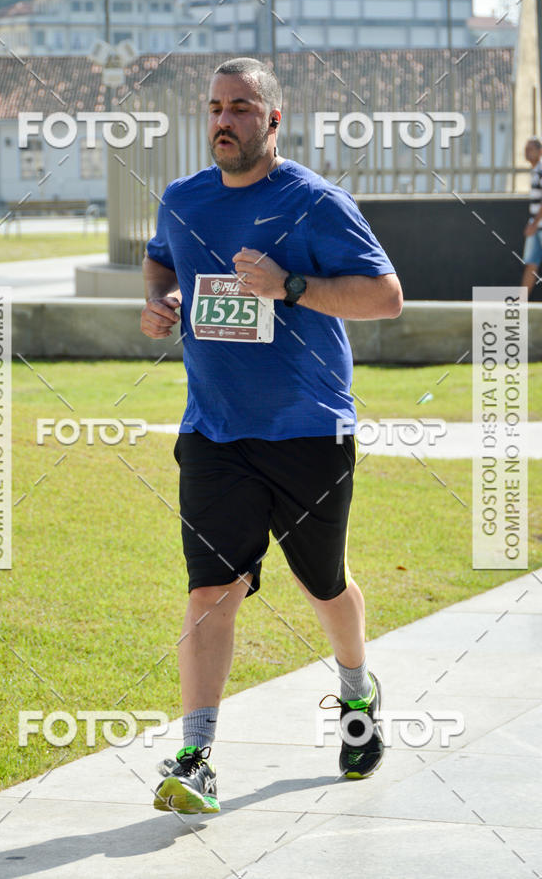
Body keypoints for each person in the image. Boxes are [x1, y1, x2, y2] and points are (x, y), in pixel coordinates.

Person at [140, 57, 403, 816]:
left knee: (323, 583)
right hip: (215, 432)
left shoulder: (315, 202)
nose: (224, 121)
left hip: (307, 431)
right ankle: (196, 758)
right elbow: (160, 262)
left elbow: (386, 297)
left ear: (274, 120)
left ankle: (357, 693)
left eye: (242, 108)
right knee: (210, 591)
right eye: (215, 108)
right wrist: (158, 303)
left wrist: (289, 286)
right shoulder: (184, 199)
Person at [521, 137, 542, 299]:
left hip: (538, 225)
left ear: (540, 152)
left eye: (530, 149)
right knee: (531, 264)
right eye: (526, 149)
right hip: (536, 227)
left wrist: (534, 223)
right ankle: (521, 302)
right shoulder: (535, 172)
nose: (527, 152)